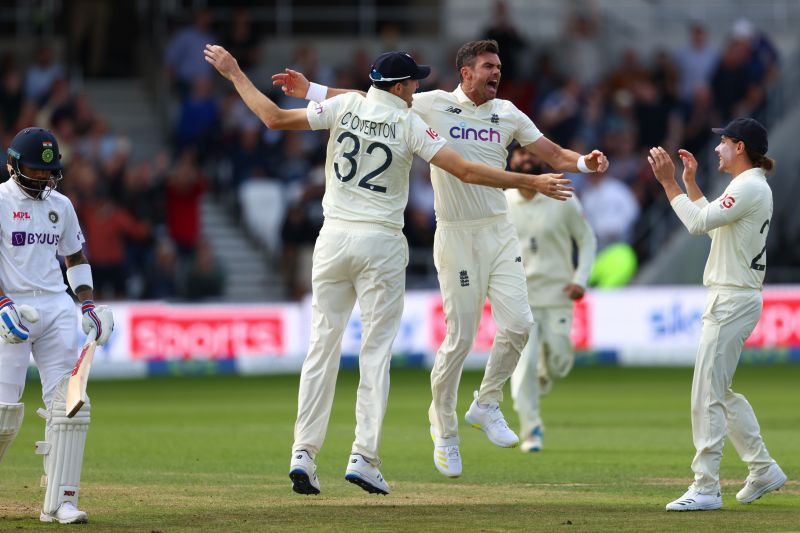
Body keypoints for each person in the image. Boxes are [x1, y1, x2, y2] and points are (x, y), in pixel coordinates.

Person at [205, 44, 571, 495]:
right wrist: (530, 181)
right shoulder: (409, 122)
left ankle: (303, 452)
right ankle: (364, 457)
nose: (417, 86)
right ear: (399, 87)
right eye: (413, 81)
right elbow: (467, 172)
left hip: (333, 240)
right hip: (379, 243)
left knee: (321, 348)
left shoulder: (347, 104)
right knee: (374, 354)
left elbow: (274, 118)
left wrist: (235, 72)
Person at [647, 117, 786, 511]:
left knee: (705, 393)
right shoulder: (746, 187)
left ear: (740, 147)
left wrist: (668, 182)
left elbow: (695, 224)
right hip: (733, 297)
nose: (716, 149)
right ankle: (762, 468)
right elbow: (711, 226)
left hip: (732, 299)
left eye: (723, 142)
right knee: (719, 392)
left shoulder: (749, 187)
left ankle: (706, 487)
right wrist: (690, 183)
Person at [0, 127, 114, 524]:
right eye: (35, 170)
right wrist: (2, 302)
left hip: (55, 305)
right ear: (13, 165)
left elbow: (75, 257)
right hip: (10, 306)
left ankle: (60, 501)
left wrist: (87, 303)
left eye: (51, 172)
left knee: (71, 404)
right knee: (2, 411)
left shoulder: (61, 205)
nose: (45, 178)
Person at [505, 148, 596, 453]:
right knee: (523, 366)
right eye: (519, 155)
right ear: (511, 163)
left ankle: (547, 368)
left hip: (558, 294)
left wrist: (579, 279)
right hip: (519, 298)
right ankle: (531, 430)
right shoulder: (502, 202)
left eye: (531, 154)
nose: (525, 159)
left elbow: (586, 240)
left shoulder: (563, 197)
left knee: (559, 362)